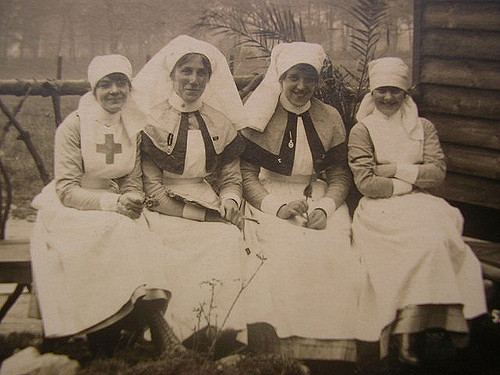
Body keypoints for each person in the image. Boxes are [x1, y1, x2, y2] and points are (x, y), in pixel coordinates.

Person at [30, 55, 182, 356]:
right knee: (117, 230)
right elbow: (66, 189)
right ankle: (128, 327)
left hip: (116, 204)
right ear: (93, 88)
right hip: (72, 207)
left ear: (130, 87)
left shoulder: (132, 125)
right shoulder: (73, 127)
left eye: (121, 83)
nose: (114, 91)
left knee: (142, 231)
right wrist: (115, 203)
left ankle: (129, 327)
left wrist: (133, 198)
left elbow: (131, 178)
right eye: (105, 84)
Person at [237, 42, 370, 364]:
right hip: (267, 197)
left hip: (317, 196)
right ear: (280, 78)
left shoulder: (330, 117)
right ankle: (280, 348)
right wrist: (275, 207)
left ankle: (331, 349)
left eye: (309, 78)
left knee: (334, 250)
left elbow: (340, 174)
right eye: (293, 77)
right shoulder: (260, 115)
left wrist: (325, 208)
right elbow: (246, 174)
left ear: (318, 81)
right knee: (283, 252)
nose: (301, 86)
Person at [348, 57, 487, 364]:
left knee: (437, 239)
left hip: (422, 203)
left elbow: (437, 173)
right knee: (418, 244)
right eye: (382, 90)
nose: (387, 97)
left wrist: (394, 169)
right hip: (379, 209)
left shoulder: (423, 127)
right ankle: (407, 328)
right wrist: (412, 178)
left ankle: (431, 322)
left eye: (394, 91)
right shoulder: (362, 130)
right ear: (372, 92)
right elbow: (367, 183)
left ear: (405, 92)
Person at [132, 35, 250, 345]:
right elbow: (153, 190)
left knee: (227, 239)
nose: (193, 79)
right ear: (170, 74)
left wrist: (230, 200)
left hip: (206, 200)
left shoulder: (219, 121)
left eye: (202, 73)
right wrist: (201, 215)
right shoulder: (151, 121)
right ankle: (173, 334)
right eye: (186, 71)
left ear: (210, 78)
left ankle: (220, 331)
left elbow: (230, 176)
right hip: (164, 208)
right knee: (165, 243)